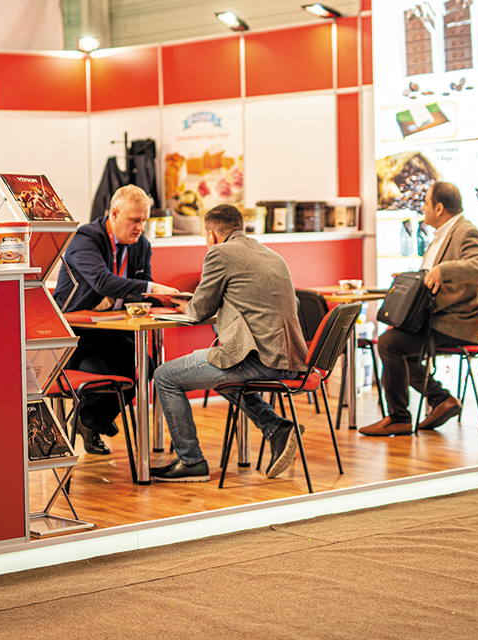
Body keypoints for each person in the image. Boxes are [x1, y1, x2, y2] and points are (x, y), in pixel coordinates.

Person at [151, 204, 308, 483]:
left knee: (164, 376)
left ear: (211, 234)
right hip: (289, 359)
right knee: (223, 376)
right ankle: (276, 428)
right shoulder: (271, 254)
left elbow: (199, 310)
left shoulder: (220, 253)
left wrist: (184, 305)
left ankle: (190, 460)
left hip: (258, 359)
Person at [53, 184, 180, 454]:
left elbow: (141, 289)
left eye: (144, 220)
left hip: (112, 328)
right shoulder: (85, 239)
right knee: (99, 377)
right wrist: (153, 288)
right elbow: (103, 282)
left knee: (143, 367)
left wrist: (171, 301)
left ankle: (90, 420)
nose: (140, 227)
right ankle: (94, 420)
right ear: (114, 214)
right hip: (75, 331)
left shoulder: (141, 245)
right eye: (134, 220)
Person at [360, 181, 478, 436]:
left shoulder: (466, 232)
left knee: (389, 343)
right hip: (441, 318)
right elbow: (433, 275)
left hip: (456, 322)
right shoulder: (445, 233)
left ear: (439, 208)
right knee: (396, 343)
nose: (422, 208)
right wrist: (413, 278)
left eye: (426, 203)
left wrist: (443, 270)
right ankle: (440, 399)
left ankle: (400, 418)